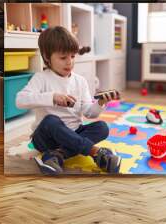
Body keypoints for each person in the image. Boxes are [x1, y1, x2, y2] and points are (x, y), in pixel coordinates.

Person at [16, 26, 121, 174]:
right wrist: (52, 97)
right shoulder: (41, 78)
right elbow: (20, 100)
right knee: (51, 120)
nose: (69, 62)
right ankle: (95, 152)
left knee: (102, 127)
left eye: (72, 56)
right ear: (47, 57)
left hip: (74, 133)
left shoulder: (80, 81)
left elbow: (89, 113)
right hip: (46, 138)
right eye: (63, 57)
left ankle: (56, 155)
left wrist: (100, 103)